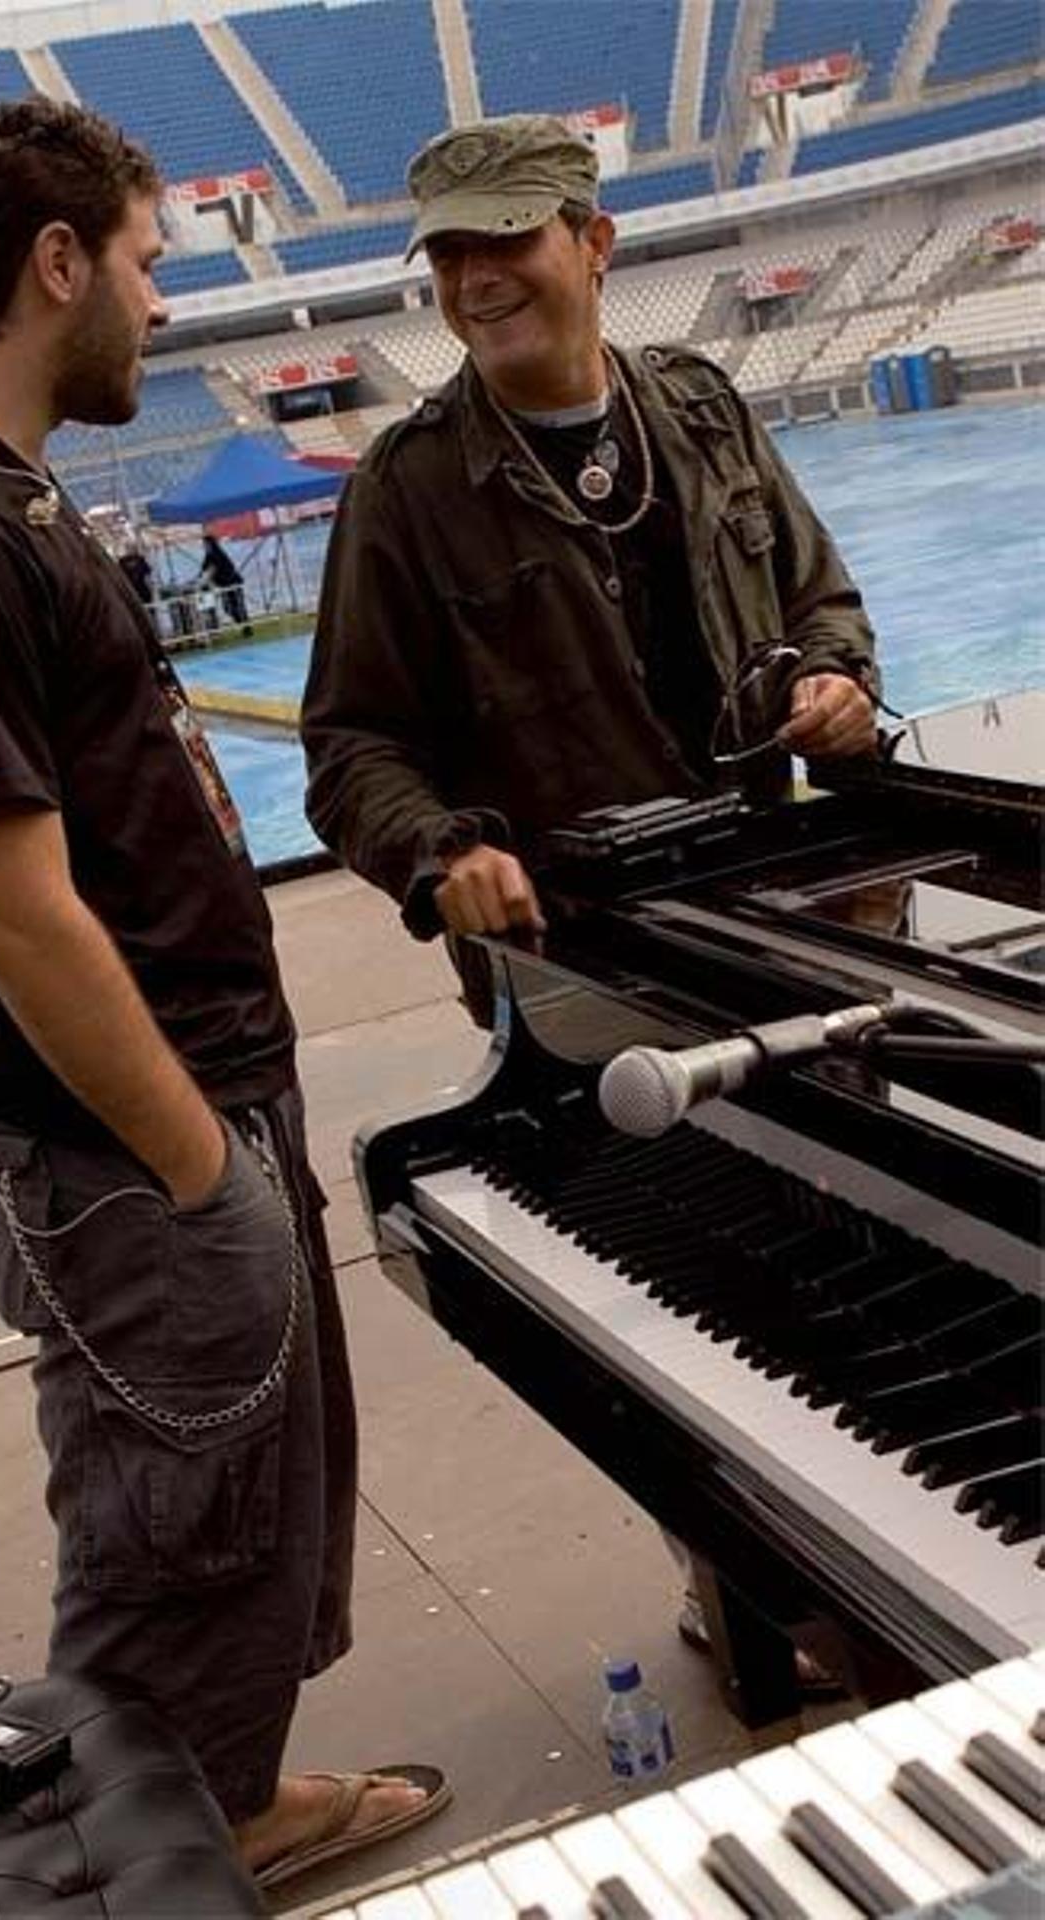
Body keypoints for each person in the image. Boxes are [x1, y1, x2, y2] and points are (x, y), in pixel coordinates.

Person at [0, 97, 448, 1889]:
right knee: (163, 1534)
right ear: (56, 265)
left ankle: (227, 1805)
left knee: (242, 1520)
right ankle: (123, 1864)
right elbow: (12, 910)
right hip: (126, 1148)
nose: (165, 307)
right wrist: (196, 1166)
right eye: (147, 263)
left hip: (178, 1108)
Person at [302, 113, 881, 1691]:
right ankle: (738, 1582)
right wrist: (437, 855)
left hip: (788, 929)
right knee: (691, 1300)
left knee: (844, 1253)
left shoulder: (699, 410)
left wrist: (834, 676)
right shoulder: (408, 493)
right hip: (586, 977)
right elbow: (350, 745)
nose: (479, 282)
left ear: (595, 241)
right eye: (450, 256)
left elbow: (824, 592)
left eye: (510, 241)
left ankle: (870, 1554)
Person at [198, 530, 251, 630]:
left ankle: (246, 626)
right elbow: (204, 569)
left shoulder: (217, 554)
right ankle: (242, 623)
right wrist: (200, 578)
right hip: (224, 585)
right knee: (228, 607)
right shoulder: (209, 556)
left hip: (233, 582)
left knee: (238, 606)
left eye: (205, 544)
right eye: (204, 545)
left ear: (210, 544)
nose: (204, 547)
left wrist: (206, 578)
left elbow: (212, 569)